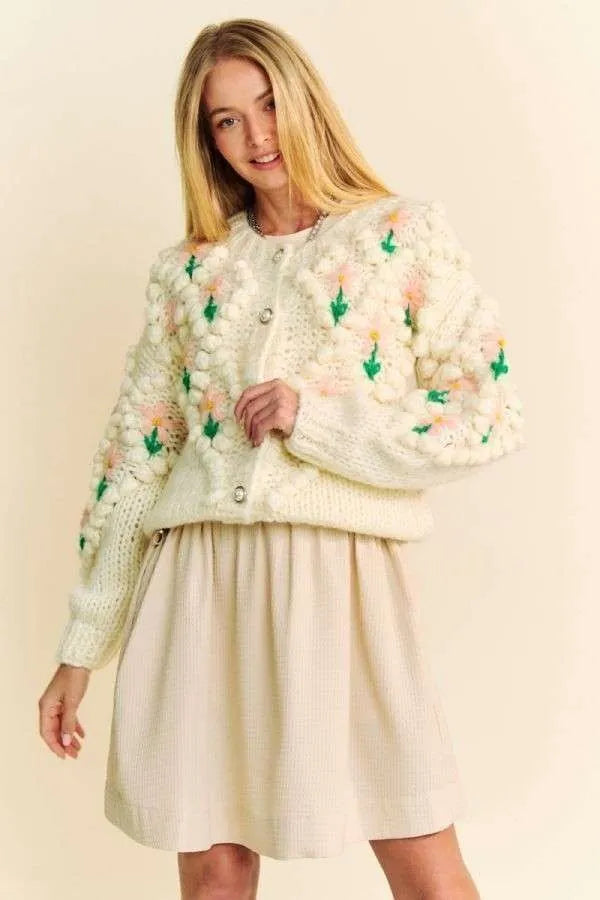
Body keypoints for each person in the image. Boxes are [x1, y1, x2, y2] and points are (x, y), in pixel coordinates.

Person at [38, 17, 525, 900]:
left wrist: (321, 421)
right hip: (198, 586)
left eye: (268, 105)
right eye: (227, 120)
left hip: (342, 583)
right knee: (214, 877)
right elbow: (134, 461)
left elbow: (484, 412)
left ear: (306, 102)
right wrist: (82, 648)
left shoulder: (399, 236)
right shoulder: (190, 271)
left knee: (426, 869)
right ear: (205, 139)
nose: (256, 136)